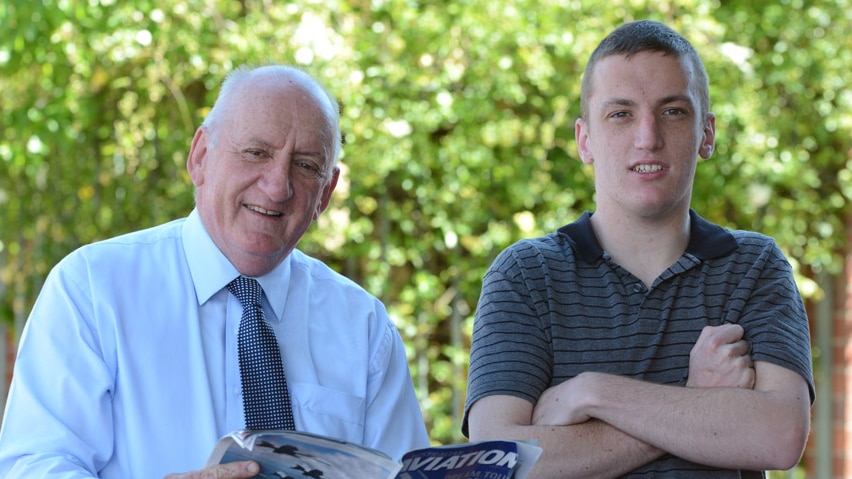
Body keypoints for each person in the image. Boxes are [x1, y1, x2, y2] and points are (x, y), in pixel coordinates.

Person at [0, 65, 430, 479]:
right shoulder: (93, 289)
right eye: (256, 153)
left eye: (304, 165)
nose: (277, 185)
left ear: (326, 194)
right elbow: (35, 464)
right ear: (200, 157)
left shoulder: (363, 326)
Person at [463, 20, 814, 478]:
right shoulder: (526, 275)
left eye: (672, 111)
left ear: (706, 134)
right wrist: (697, 395)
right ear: (584, 140)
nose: (647, 136)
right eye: (620, 114)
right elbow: (499, 462)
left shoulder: (753, 266)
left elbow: (778, 437)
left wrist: (591, 394)